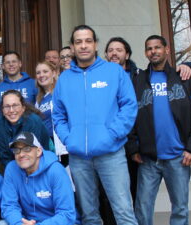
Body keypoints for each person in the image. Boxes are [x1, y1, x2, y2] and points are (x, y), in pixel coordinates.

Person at [52, 25, 138, 225]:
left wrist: (112, 135)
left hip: (111, 154)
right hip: (79, 157)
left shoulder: (114, 71)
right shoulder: (64, 79)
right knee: (89, 216)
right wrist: (69, 139)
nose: (84, 46)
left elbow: (129, 106)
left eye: (88, 41)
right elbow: (58, 115)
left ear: (96, 44)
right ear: (72, 47)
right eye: (78, 42)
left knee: (124, 212)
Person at [126, 35, 191, 225]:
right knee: (142, 208)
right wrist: (133, 148)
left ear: (167, 50)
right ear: (145, 53)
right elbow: (129, 116)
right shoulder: (138, 81)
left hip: (178, 157)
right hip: (148, 159)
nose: (153, 51)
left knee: (180, 208)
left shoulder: (184, 78)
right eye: (149, 48)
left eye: (157, 47)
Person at [1, 132, 77, 225]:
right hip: (26, 221)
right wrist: (18, 223)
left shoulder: (56, 171)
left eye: (27, 149)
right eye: (17, 150)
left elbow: (67, 214)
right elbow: (9, 205)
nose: (21, 154)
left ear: (38, 151)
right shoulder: (11, 169)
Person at [0, 51, 38, 165]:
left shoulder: (33, 84)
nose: (11, 65)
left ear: (20, 63)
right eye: (7, 62)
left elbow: (40, 113)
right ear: (3, 66)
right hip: (5, 141)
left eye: (14, 61)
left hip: (30, 138)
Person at [0, 90, 50, 167]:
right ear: (2, 110)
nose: (11, 110)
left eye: (15, 105)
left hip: (40, 163)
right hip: (15, 166)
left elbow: (37, 154)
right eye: (7, 106)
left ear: (23, 108)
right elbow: (5, 158)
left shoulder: (34, 122)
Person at [35, 61, 68, 165]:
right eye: (38, 73)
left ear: (53, 73)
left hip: (63, 145)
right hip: (48, 145)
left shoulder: (62, 91)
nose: (41, 75)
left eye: (45, 71)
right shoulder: (39, 99)